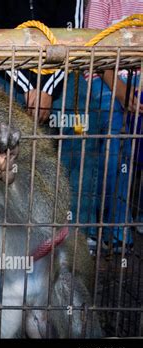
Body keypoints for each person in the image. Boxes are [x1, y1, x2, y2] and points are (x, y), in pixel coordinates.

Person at [81, 0, 143, 252]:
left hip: (137, 78)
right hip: (105, 77)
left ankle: (119, 225)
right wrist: (121, 91)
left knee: (128, 156)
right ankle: (104, 227)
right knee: (111, 150)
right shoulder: (101, 2)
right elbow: (95, 50)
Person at [0, 0, 85, 123]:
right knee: (1, 120)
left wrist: (49, 89)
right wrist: (25, 86)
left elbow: (73, 41)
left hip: (60, 71)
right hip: (8, 72)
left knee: (82, 117)